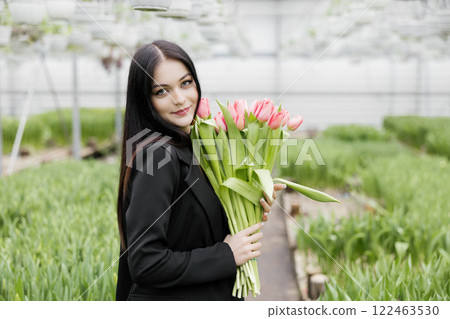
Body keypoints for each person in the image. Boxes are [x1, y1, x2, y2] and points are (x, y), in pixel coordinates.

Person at [115, 40, 285, 301]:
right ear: (145, 100)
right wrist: (226, 255)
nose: (180, 99)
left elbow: (191, 229)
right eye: (162, 91)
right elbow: (145, 262)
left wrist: (247, 205)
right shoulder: (157, 155)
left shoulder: (195, 147)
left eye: (186, 83)